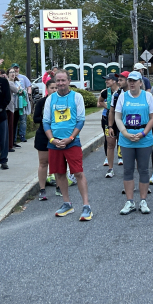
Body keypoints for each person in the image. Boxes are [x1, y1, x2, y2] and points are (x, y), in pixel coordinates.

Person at [43, 70, 93, 221]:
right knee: (59, 174)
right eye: (58, 81)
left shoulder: (77, 97)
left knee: (78, 173)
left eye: (63, 80)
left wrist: (71, 138)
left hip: (72, 142)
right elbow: (46, 122)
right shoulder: (50, 99)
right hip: (55, 143)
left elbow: (80, 120)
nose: (60, 83)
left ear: (69, 81)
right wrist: (52, 140)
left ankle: (86, 206)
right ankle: (67, 203)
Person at [115, 71, 153, 214]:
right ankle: (130, 201)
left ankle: (143, 201)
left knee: (144, 169)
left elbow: (152, 117)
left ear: (140, 82)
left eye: (135, 81)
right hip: (126, 138)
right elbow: (118, 117)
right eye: (129, 81)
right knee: (127, 169)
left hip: (144, 137)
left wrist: (143, 133)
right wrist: (125, 133)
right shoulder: (123, 96)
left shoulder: (148, 96)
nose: (131, 83)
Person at [35, 79, 59, 200]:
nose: (54, 90)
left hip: (58, 135)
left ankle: (59, 187)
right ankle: (42, 189)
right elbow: (35, 118)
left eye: (56, 88)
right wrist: (48, 120)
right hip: (43, 136)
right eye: (52, 88)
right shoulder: (41, 102)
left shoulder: (62, 101)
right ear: (47, 89)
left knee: (57, 163)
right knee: (43, 163)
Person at [108, 71, 129, 171]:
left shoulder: (136, 94)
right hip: (116, 123)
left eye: (121, 80)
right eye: (118, 80)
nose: (118, 82)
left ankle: (134, 170)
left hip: (129, 124)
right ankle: (110, 168)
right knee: (110, 144)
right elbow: (111, 111)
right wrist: (110, 126)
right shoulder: (116, 94)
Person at [98, 73, 119, 169]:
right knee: (108, 139)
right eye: (105, 79)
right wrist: (109, 107)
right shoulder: (106, 92)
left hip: (119, 119)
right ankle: (107, 157)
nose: (106, 81)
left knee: (121, 139)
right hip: (107, 119)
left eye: (108, 79)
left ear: (114, 81)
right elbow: (100, 101)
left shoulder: (121, 92)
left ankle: (120, 156)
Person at [12, 63, 32, 143]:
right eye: (14, 68)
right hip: (14, 101)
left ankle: (22, 135)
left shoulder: (23, 77)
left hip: (22, 100)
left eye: (17, 68)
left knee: (23, 119)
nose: (16, 70)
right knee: (14, 120)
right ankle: (14, 137)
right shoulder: (11, 78)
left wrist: (29, 95)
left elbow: (29, 86)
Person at [6, 67, 22, 150]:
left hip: (15, 106)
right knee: (10, 126)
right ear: (7, 74)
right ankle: (9, 145)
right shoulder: (10, 83)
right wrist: (19, 89)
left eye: (14, 72)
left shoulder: (14, 82)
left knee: (14, 125)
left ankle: (12, 142)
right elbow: (16, 91)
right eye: (11, 72)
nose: (13, 73)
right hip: (9, 107)